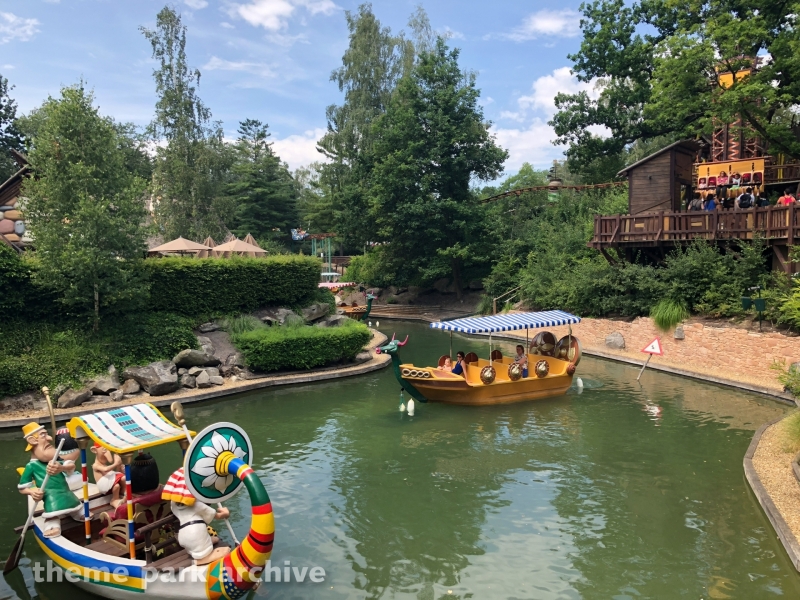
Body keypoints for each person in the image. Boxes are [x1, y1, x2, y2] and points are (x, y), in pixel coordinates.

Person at [18, 423, 86, 538]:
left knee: (75, 504)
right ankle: (52, 521)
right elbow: (22, 488)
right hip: (51, 496)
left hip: (67, 492)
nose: (49, 438)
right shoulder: (31, 466)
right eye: (43, 435)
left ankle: (75, 512)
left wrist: (62, 468)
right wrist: (32, 492)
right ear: (32, 440)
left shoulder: (54, 460)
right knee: (52, 509)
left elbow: (71, 466)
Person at [162, 468, 230, 565]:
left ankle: (201, 546)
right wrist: (225, 513)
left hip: (182, 535)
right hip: (195, 534)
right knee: (224, 550)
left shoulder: (174, 504)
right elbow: (216, 515)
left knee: (204, 543)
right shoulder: (196, 505)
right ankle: (200, 560)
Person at [91, 443, 125, 508]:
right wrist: (115, 463)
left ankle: (121, 494)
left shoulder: (105, 465)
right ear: (94, 450)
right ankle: (116, 499)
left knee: (118, 485)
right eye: (104, 451)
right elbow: (106, 469)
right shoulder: (95, 465)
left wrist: (119, 466)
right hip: (103, 485)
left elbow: (112, 472)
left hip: (109, 484)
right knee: (119, 478)